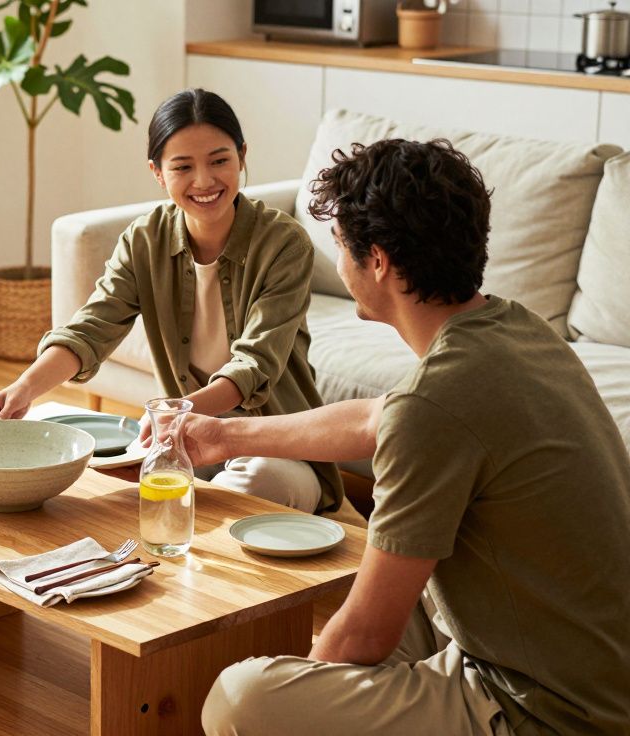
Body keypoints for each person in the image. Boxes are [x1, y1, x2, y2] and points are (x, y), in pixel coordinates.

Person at [193, 138, 630, 735]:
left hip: (546, 709)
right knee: (379, 599)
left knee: (240, 699)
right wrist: (222, 436)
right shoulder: (513, 327)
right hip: (583, 664)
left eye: (342, 248)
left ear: (377, 261)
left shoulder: (436, 403)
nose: (339, 265)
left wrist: (307, 692)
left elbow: (366, 635)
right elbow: (377, 419)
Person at [0, 88, 341, 513]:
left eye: (220, 160)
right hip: (182, 443)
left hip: (271, 446)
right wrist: (24, 389)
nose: (204, 181)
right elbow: (91, 329)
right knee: (68, 465)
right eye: (183, 167)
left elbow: (255, 364)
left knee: (249, 484)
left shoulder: (284, 244)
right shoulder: (144, 240)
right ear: (157, 171)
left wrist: (174, 415)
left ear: (242, 156)